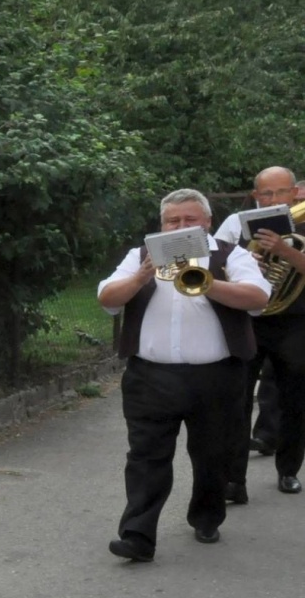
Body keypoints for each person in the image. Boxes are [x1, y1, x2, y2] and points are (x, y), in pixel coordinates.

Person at [97, 189, 271, 561]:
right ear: (161, 225)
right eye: (172, 221)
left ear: (207, 222)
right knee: (145, 457)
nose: (180, 226)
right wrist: (141, 276)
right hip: (149, 377)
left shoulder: (230, 254)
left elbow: (258, 298)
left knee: (212, 455)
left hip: (217, 377)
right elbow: (108, 298)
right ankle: (137, 535)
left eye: (189, 220)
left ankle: (207, 517)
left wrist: (206, 281)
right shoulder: (139, 256)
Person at [217, 167, 305, 500]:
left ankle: (288, 471)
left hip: (296, 324)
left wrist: (285, 252)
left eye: (279, 192)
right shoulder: (242, 227)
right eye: (264, 194)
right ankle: (234, 480)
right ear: (255, 196)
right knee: (236, 401)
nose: (271, 200)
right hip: (251, 322)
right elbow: (221, 269)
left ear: (294, 192)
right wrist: (245, 263)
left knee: (295, 401)